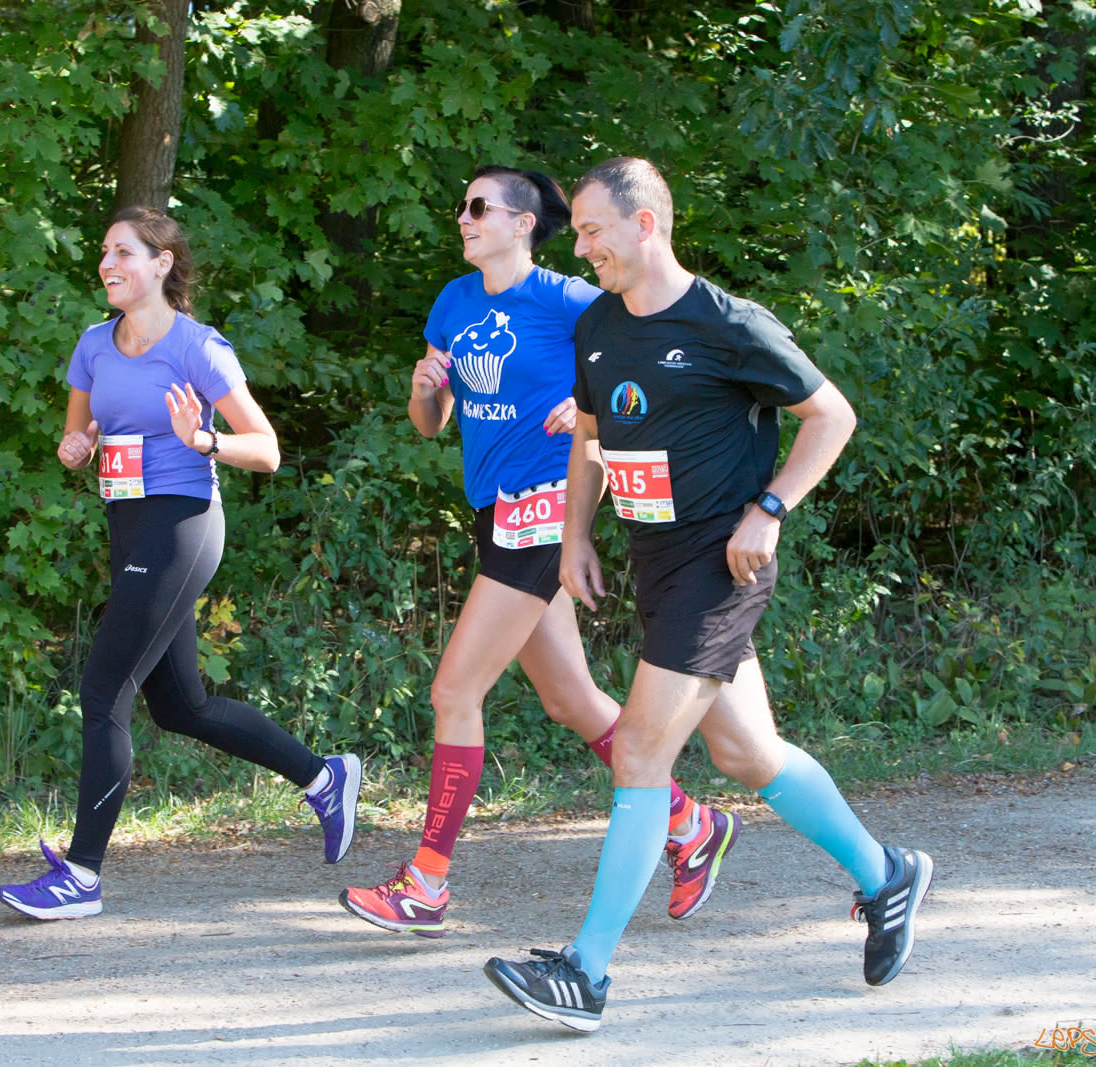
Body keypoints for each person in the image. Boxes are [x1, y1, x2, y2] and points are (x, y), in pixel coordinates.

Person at [483, 158, 933, 1030]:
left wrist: (770, 509)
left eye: (591, 229)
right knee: (748, 755)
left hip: (720, 567)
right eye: (575, 231)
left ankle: (588, 971)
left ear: (645, 224)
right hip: (655, 562)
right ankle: (887, 874)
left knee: (640, 753)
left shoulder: (729, 323)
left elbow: (830, 416)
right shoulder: (601, 326)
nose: (581, 246)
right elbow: (588, 433)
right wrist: (575, 536)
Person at [339, 167, 736, 939]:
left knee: (454, 692)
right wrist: (425, 389)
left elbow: (640, 337)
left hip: (547, 509)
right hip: (496, 513)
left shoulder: (565, 299)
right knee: (571, 700)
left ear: (524, 223)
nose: (464, 216)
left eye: (479, 206)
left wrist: (583, 405)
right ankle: (692, 826)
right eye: (462, 204)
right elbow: (431, 421)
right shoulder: (455, 303)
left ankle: (426, 884)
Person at [0, 206, 361, 919]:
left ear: (161, 263)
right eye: (104, 252)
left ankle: (82, 874)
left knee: (104, 689)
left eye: (124, 252)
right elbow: (78, 433)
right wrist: (76, 447)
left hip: (183, 523)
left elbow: (268, 449)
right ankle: (322, 776)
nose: (108, 264)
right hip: (127, 526)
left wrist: (204, 440)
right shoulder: (93, 345)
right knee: (181, 706)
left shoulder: (198, 348)